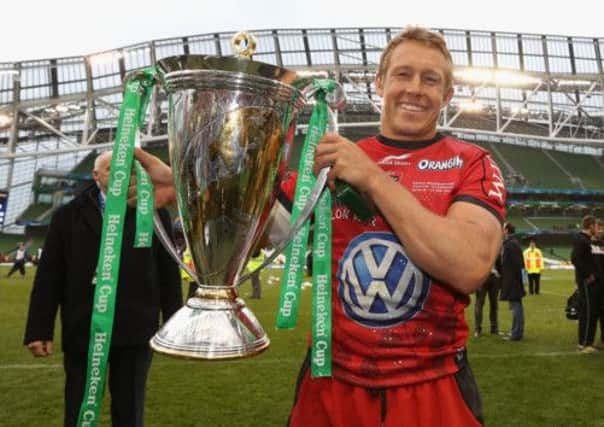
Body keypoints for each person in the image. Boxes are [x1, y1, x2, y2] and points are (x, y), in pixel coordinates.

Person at [134, 26, 505, 427]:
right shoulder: (331, 160)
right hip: (330, 383)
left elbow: (468, 266)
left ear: (447, 95)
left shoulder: (472, 163)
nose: (415, 88)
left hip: (432, 387)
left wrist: (374, 179)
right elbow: (257, 231)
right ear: (380, 83)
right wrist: (187, 188)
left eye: (430, 79)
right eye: (403, 74)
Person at [23, 151, 182, 427]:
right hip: (83, 329)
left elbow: (168, 273)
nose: (121, 175)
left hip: (136, 331)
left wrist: (174, 325)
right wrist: (39, 330)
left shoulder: (154, 212)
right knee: (78, 409)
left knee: (130, 412)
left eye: (127, 169)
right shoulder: (67, 216)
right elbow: (49, 276)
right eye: (112, 169)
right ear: (96, 176)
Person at [571, 215, 600, 353]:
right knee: (587, 313)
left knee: (592, 312)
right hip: (587, 282)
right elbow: (575, 259)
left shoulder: (588, 240)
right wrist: (588, 274)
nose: (597, 228)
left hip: (592, 283)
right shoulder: (581, 240)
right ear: (590, 226)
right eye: (596, 226)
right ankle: (583, 344)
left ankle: (589, 341)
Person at [499, 223, 525, 341]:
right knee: (515, 307)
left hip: (513, 281)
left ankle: (516, 333)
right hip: (512, 280)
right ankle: (515, 331)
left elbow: (517, 264)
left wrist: (516, 281)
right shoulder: (510, 243)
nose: (502, 231)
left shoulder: (512, 244)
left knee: (516, 307)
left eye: (503, 229)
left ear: (507, 230)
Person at [474, 257, 502, 337]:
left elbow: (499, 263)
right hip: (482, 277)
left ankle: (494, 329)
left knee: (494, 304)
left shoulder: (494, 246)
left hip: (494, 278)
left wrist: (500, 277)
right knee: (479, 304)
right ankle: (478, 329)